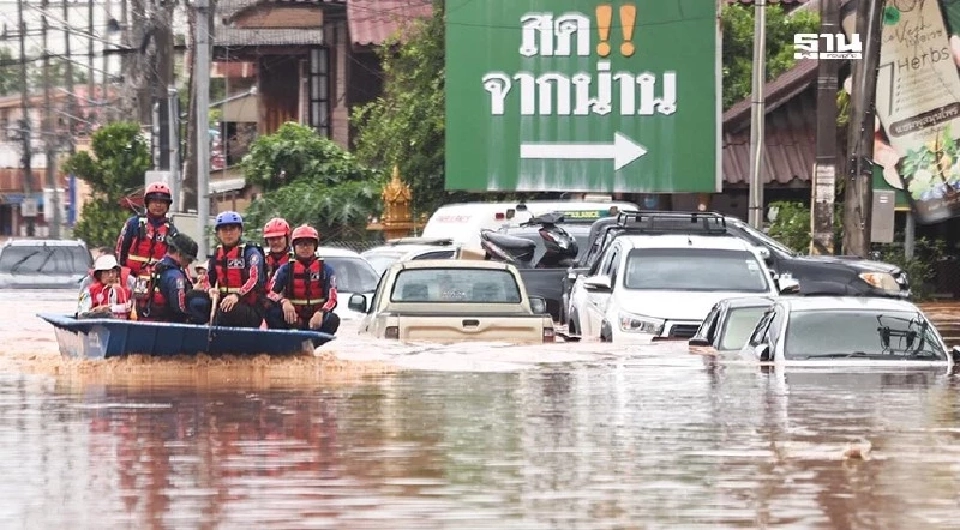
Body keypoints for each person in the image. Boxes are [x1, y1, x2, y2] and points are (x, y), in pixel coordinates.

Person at [265, 224, 340, 334]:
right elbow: (270, 293)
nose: (305, 248)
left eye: (308, 244)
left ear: (315, 247)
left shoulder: (327, 270)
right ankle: (285, 344)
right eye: (300, 245)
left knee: (332, 319)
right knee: (272, 312)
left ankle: (312, 344)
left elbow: (332, 299)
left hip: (316, 321)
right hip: (293, 319)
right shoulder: (284, 270)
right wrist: (284, 302)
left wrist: (322, 312)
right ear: (294, 247)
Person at [116, 182, 179, 299]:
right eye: (155, 201)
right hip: (132, 277)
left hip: (159, 279)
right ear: (147, 203)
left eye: (162, 202)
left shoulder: (172, 231)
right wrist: (124, 275)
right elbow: (121, 251)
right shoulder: (133, 224)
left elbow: (176, 260)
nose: (158, 205)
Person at [206, 210, 267, 328]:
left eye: (232, 229)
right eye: (224, 230)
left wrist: (237, 296)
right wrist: (211, 290)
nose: (228, 233)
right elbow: (210, 280)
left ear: (240, 231)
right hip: (223, 303)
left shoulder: (251, 253)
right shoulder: (216, 255)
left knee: (228, 308)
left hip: (249, 307)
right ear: (218, 233)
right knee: (196, 301)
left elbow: (255, 280)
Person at [138, 232, 210, 324]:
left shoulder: (154, 266)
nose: (189, 263)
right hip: (167, 326)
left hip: (143, 321)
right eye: (189, 259)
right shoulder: (176, 276)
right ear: (180, 254)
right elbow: (180, 308)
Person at [77, 255, 133, 319]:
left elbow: (129, 308)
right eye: (106, 272)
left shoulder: (124, 291)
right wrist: (96, 311)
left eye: (113, 271)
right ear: (99, 274)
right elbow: (82, 312)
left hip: (119, 325)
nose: (111, 275)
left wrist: (110, 309)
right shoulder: (89, 291)